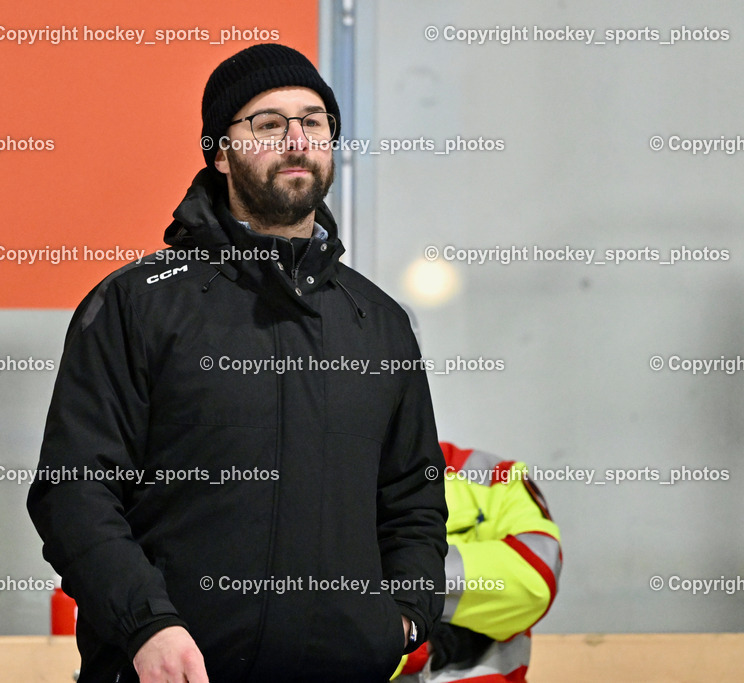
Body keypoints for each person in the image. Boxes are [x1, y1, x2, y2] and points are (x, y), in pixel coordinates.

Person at [27, 43, 447, 683]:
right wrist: (148, 627)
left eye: (313, 122)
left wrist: (403, 619)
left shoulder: (379, 323)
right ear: (220, 153)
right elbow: (74, 491)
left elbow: (412, 496)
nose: (297, 140)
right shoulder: (139, 303)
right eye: (269, 124)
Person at [390, 442, 562, 682]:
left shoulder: (496, 475)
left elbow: (535, 578)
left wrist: (400, 590)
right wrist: (423, 645)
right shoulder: (331, 486)